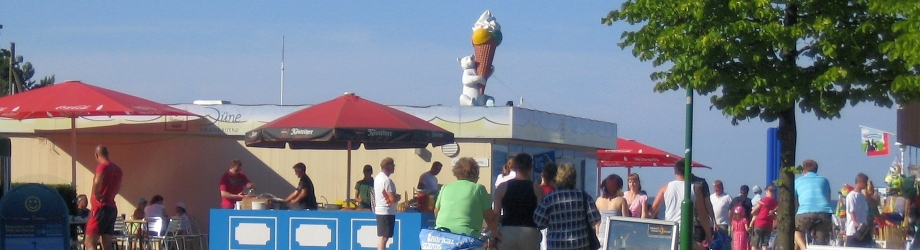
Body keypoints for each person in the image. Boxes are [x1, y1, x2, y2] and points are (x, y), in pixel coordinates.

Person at [533, 163, 602, 250]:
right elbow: (595, 219)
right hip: (580, 245)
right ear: (574, 178)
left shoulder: (550, 198)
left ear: (557, 177)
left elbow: (538, 221)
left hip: (556, 245)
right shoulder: (584, 196)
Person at [650, 160, 715, 250]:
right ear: (689, 171)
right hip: (687, 232)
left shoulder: (665, 188)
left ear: (675, 171)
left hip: (670, 231)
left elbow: (653, 210)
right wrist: (708, 234)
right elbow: (702, 214)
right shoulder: (695, 189)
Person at [434, 157, 498, 237]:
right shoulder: (478, 188)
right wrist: (496, 234)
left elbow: (436, 211)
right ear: (475, 174)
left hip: (442, 235)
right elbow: (489, 218)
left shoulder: (445, 187)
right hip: (466, 237)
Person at [493, 153, 544, 250]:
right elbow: (540, 216)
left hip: (507, 231)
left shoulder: (502, 187)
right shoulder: (537, 189)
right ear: (530, 168)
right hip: (530, 232)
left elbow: (496, 214)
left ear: (514, 167)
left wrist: (494, 235)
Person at [84, 145, 123, 250]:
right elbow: (118, 188)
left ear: (96, 155)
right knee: (106, 242)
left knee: (89, 242)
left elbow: (98, 180)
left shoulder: (102, 166)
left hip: (100, 207)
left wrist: (96, 194)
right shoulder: (118, 170)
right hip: (111, 207)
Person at [793, 159, 834, 249]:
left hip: (805, 212)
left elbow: (794, 201)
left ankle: (804, 248)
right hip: (824, 211)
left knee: (796, 230)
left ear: (804, 170)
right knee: (821, 243)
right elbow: (828, 198)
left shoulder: (797, 181)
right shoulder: (824, 180)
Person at [596, 174, 630, 246]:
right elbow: (626, 222)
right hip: (614, 238)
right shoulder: (621, 200)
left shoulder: (598, 200)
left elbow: (597, 222)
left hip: (600, 237)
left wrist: (597, 234)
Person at [374, 157, 401, 250]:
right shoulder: (387, 180)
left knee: (383, 237)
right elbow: (392, 198)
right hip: (386, 210)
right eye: (393, 165)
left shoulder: (377, 178)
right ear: (388, 166)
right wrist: (398, 197)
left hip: (380, 209)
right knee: (384, 237)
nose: (394, 167)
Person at [845, 173, 871, 247]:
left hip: (863, 230)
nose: (866, 184)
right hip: (853, 231)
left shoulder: (862, 196)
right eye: (865, 182)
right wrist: (856, 224)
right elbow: (851, 212)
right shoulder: (851, 196)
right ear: (860, 182)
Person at [750, 185, 777, 250]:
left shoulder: (763, 200)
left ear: (766, 191)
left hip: (759, 223)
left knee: (755, 243)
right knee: (765, 244)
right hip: (769, 224)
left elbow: (753, 212)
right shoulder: (776, 202)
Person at [710, 180, 733, 249]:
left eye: (717, 187)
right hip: (711, 224)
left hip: (723, 224)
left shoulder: (727, 197)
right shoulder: (711, 197)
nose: (715, 189)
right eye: (714, 187)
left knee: (723, 244)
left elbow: (731, 211)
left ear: (721, 187)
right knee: (713, 244)